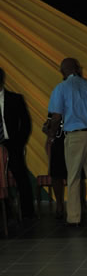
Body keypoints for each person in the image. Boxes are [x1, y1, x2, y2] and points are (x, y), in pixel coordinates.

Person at [47, 58, 87, 228]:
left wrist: (52, 133)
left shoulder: (60, 88)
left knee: (73, 177)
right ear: (78, 69)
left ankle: (74, 218)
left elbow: (56, 117)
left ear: (62, 72)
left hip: (75, 136)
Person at [0, 67, 34, 218]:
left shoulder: (15, 99)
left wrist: (20, 142)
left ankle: (27, 212)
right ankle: (5, 211)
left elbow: (26, 123)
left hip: (13, 143)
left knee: (20, 175)